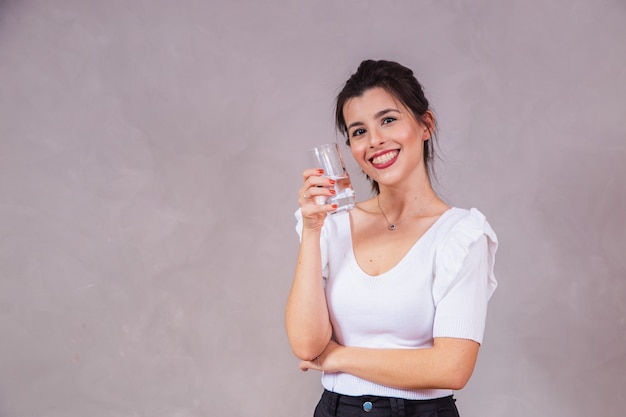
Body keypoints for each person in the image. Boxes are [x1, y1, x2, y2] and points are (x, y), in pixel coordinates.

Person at [285, 59, 498, 417]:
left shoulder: (460, 235)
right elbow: (307, 346)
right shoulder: (331, 224)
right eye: (358, 131)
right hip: (336, 410)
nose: (375, 141)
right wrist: (311, 231)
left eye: (388, 120)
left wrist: (338, 356)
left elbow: (452, 368)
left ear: (425, 124)